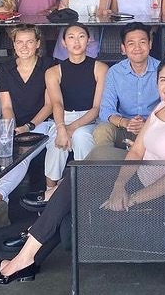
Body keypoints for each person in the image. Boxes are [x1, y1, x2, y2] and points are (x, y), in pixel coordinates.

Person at [0, 54, 165, 285]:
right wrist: (119, 185)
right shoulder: (162, 107)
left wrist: (131, 198)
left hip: (159, 194)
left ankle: (26, 258)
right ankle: (27, 259)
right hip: (139, 177)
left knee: (72, 190)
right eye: (163, 79)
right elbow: (136, 152)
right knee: (75, 181)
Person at [0, 25, 55, 227]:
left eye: (29, 42)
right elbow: (6, 106)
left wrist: (28, 126)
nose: (24, 46)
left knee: (22, 156)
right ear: (14, 44)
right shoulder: (6, 68)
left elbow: (49, 105)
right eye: (19, 42)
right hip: (16, 125)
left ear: (37, 44)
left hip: (43, 124)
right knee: (7, 152)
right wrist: (11, 128)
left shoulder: (49, 65)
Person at [41, 24, 108, 200]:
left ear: (89, 40)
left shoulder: (100, 68)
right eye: (71, 37)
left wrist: (71, 129)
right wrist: (61, 128)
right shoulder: (53, 72)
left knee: (81, 137)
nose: (76, 41)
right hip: (63, 117)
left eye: (81, 36)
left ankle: (85, 191)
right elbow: (57, 103)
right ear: (63, 42)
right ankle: (50, 193)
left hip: (90, 119)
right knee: (56, 143)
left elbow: (97, 107)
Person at [93, 23, 160, 155]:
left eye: (142, 42)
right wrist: (126, 122)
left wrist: (148, 123)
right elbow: (106, 110)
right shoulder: (115, 72)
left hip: (155, 127)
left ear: (150, 44)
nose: (137, 48)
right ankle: (107, 166)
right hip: (125, 127)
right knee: (102, 130)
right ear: (123, 48)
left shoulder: (162, 69)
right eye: (131, 43)